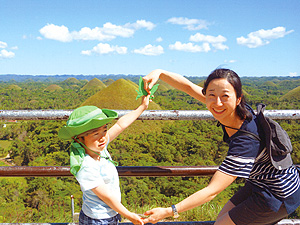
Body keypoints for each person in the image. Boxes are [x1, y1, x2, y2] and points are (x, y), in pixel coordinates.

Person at [141, 69, 300, 225]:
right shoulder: (234, 111)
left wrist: (170, 211)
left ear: (238, 98)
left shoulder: (246, 140)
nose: (217, 103)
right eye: (211, 95)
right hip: (259, 182)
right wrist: (160, 73)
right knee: (222, 218)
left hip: (279, 194)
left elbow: (212, 191)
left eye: (225, 96)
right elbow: (188, 87)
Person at [58, 94, 151, 225]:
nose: (103, 137)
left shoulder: (99, 147)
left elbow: (120, 125)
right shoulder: (85, 165)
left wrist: (142, 107)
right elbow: (106, 197)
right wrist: (129, 215)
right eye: (96, 134)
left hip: (112, 214)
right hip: (97, 219)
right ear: (79, 139)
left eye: (104, 130)